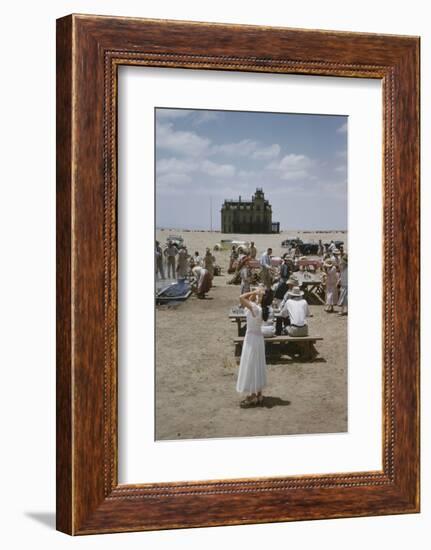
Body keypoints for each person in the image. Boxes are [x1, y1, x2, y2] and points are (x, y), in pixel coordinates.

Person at [236, 288, 273, 408]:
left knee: (251, 365)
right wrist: (256, 294)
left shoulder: (255, 308)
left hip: (251, 339)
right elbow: (248, 302)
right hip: (258, 338)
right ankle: (259, 394)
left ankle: (252, 396)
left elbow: (241, 298)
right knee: (258, 364)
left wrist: (254, 292)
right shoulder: (262, 309)